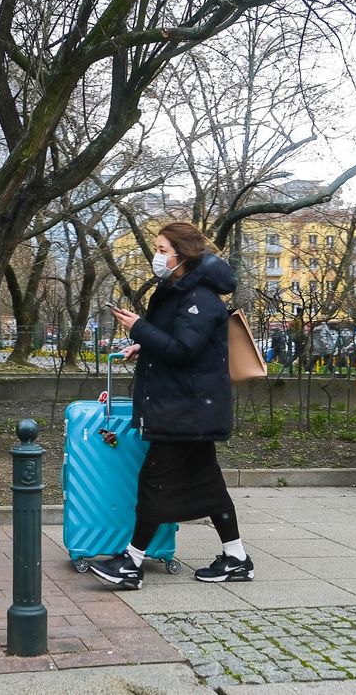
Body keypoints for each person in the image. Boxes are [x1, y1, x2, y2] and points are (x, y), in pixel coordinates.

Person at [88, 221, 253, 590]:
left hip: (186, 410)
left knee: (155, 481)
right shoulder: (179, 292)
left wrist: (138, 328)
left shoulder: (200, 298)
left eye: (163, 250)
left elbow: (183, 350)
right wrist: (142, 344)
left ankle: (131, 563)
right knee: (209, 485)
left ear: (182, 255)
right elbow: (175, 341)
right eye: (157, 249)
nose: (157, 256)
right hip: (187, 406)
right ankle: (237, 558)